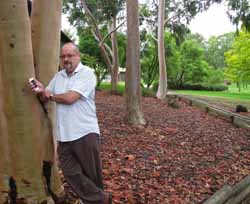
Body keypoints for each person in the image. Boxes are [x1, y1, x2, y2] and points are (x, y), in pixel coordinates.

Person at [29, 42, 112, 204]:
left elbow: (70, 98)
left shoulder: (87, 74)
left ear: (78, 56)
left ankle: (92, 201)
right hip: (64, 136)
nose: (66, 59)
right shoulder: (59, 76)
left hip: (85, 132)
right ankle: (102, 199)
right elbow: (45, 96)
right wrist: (41, 90)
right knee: (69, 172)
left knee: (92, 175)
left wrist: (50, 95)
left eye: (69, 55)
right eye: (63, 56)